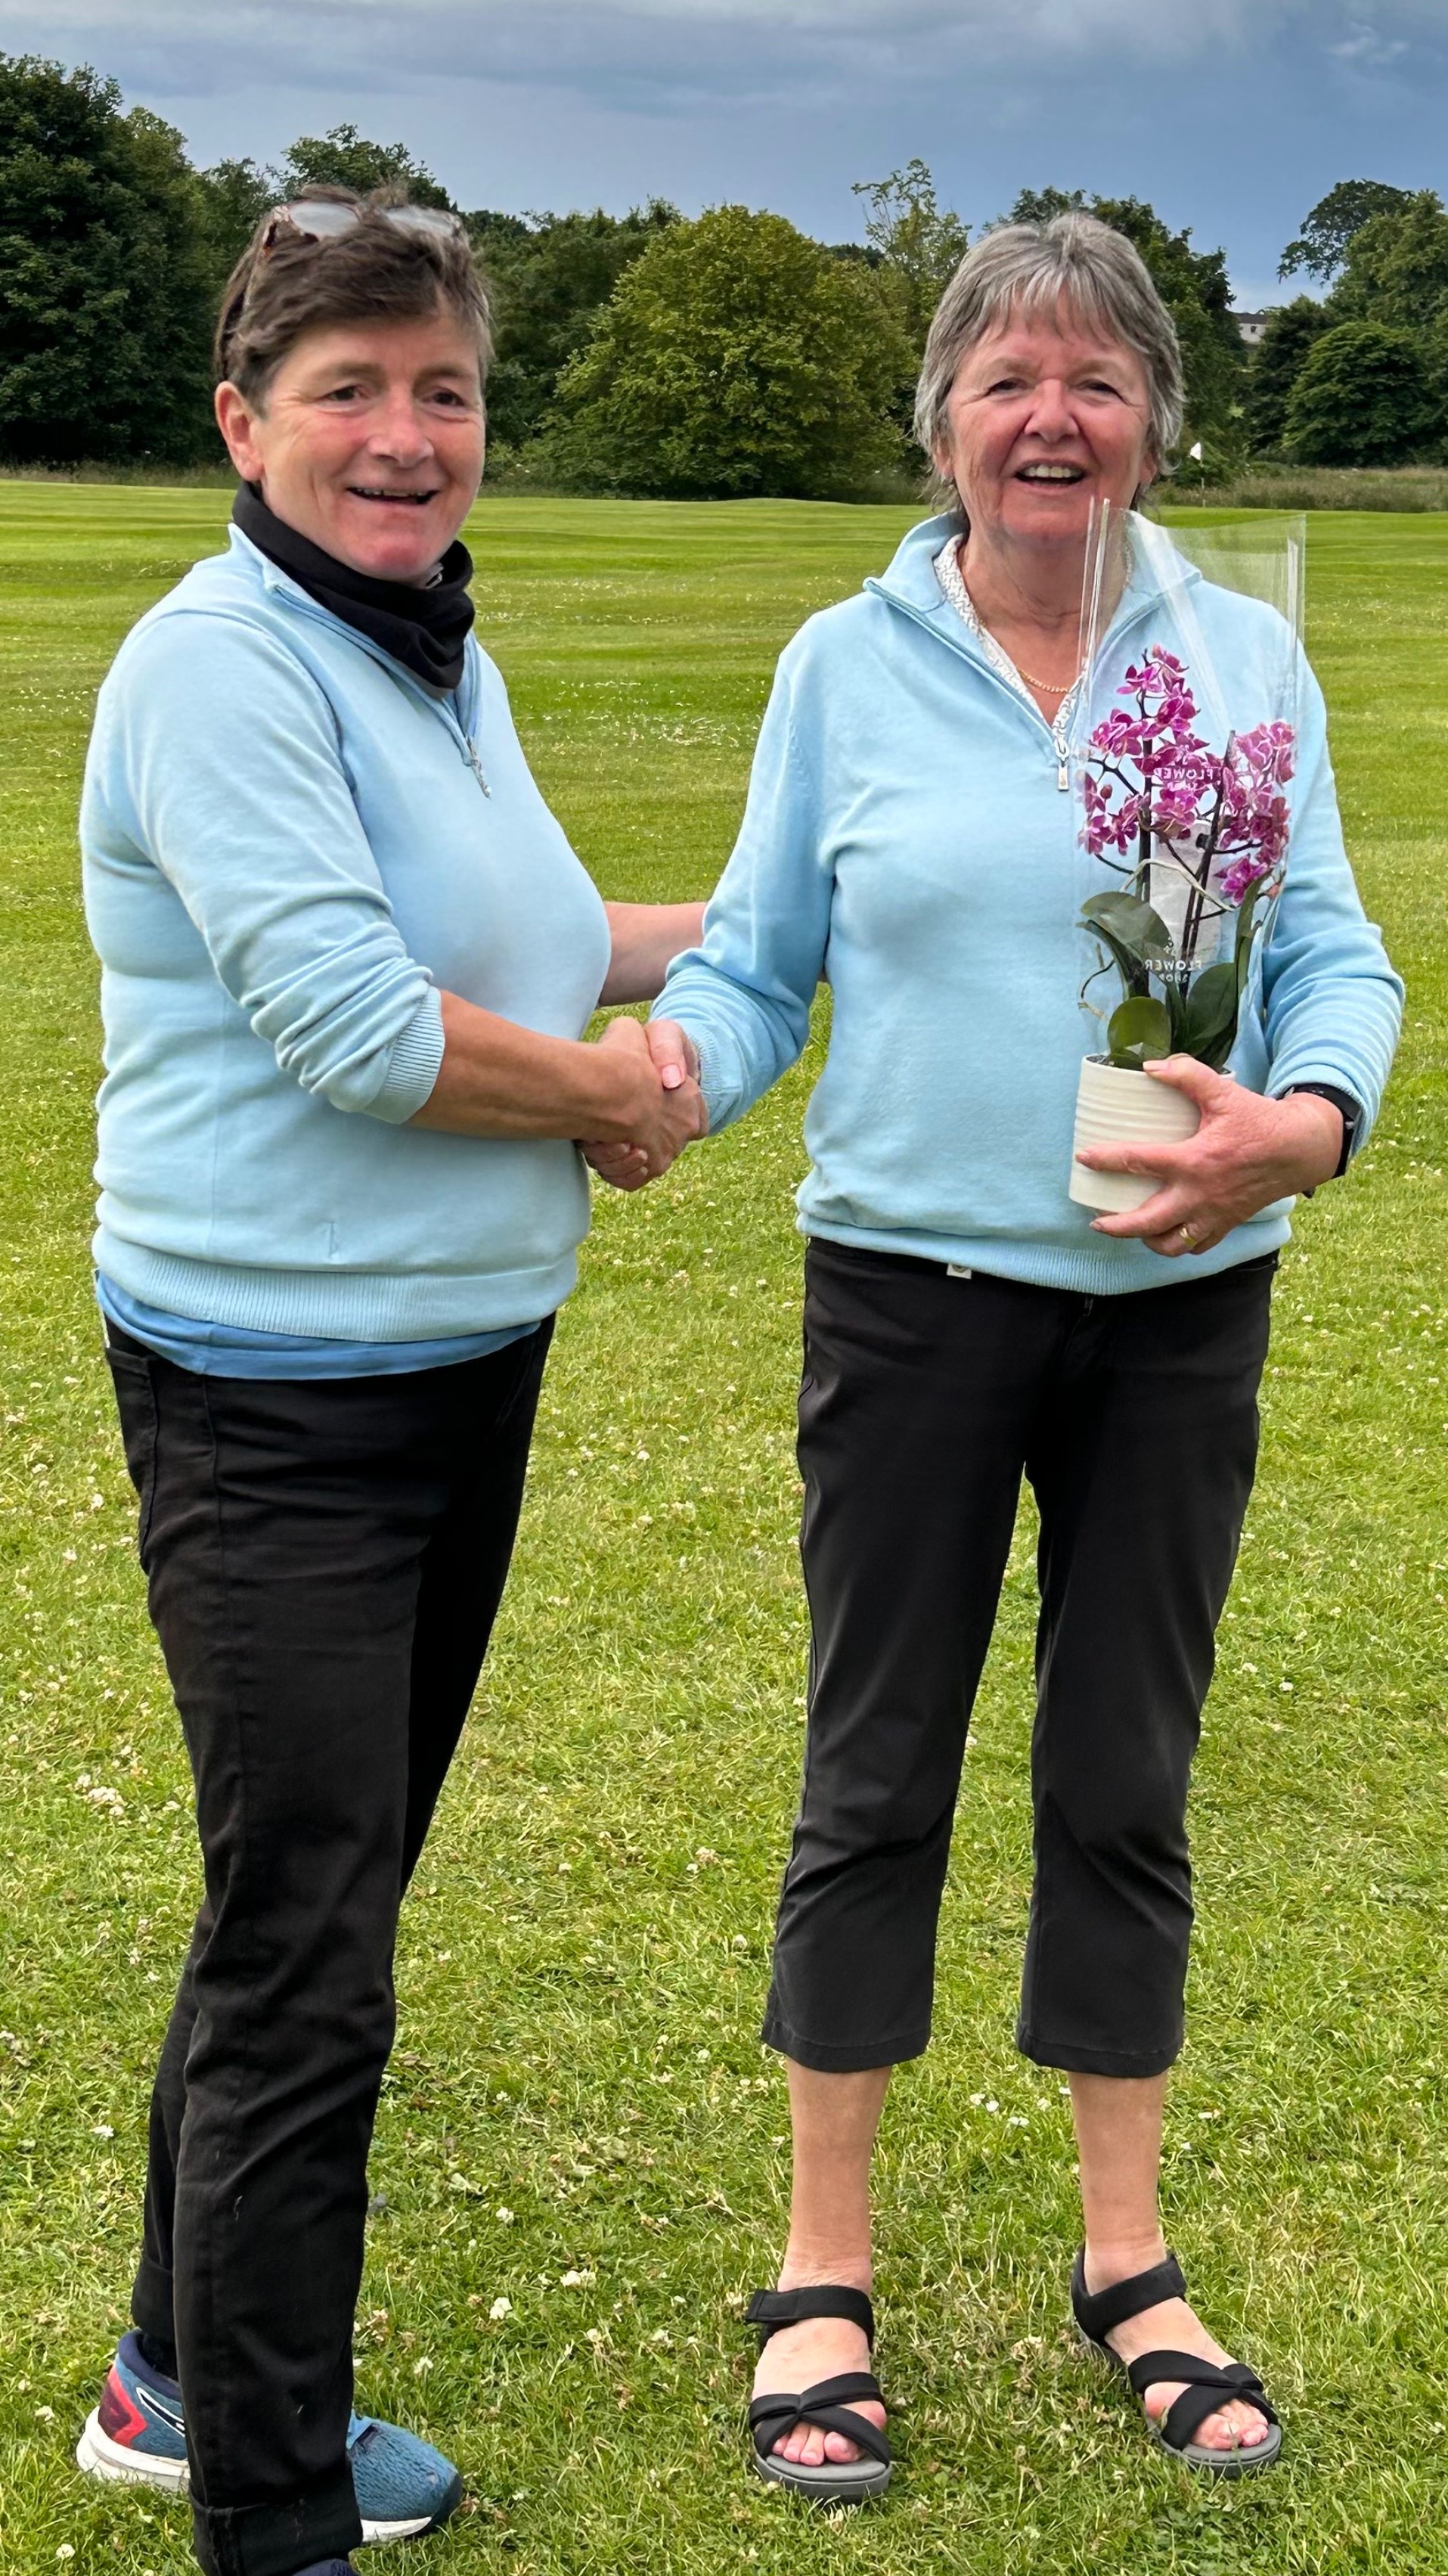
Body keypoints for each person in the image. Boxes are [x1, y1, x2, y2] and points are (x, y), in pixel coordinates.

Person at [616, 213, 1402, 2501]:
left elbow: (1327, 947)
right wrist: (654, 1085)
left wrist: (1312, 1122)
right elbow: (760, 965)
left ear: (1153, 412)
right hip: (911, 1304)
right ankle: (821, 2274)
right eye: (1002, 377)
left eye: (1092, 376)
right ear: (943, 418)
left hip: (1176, 1322)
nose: (1047, 416)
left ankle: (1128, 2262)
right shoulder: (838, 665)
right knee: (872, 1778)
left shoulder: (1243, 659)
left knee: (1122, 1785)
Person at [73, 188, 704, 2576]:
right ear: (245, 421)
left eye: (438, 387)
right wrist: (616, 1097)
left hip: (450, 1375)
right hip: (275, 1406)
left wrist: (767, 913)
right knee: (307, 1960)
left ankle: (168, 2378)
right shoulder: (224, 665)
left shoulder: (426, 647)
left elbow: (533, 925)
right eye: (347, 387)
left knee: (297, 1907)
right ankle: (266, 2514)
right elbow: (354, 1029)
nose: (403, 431)